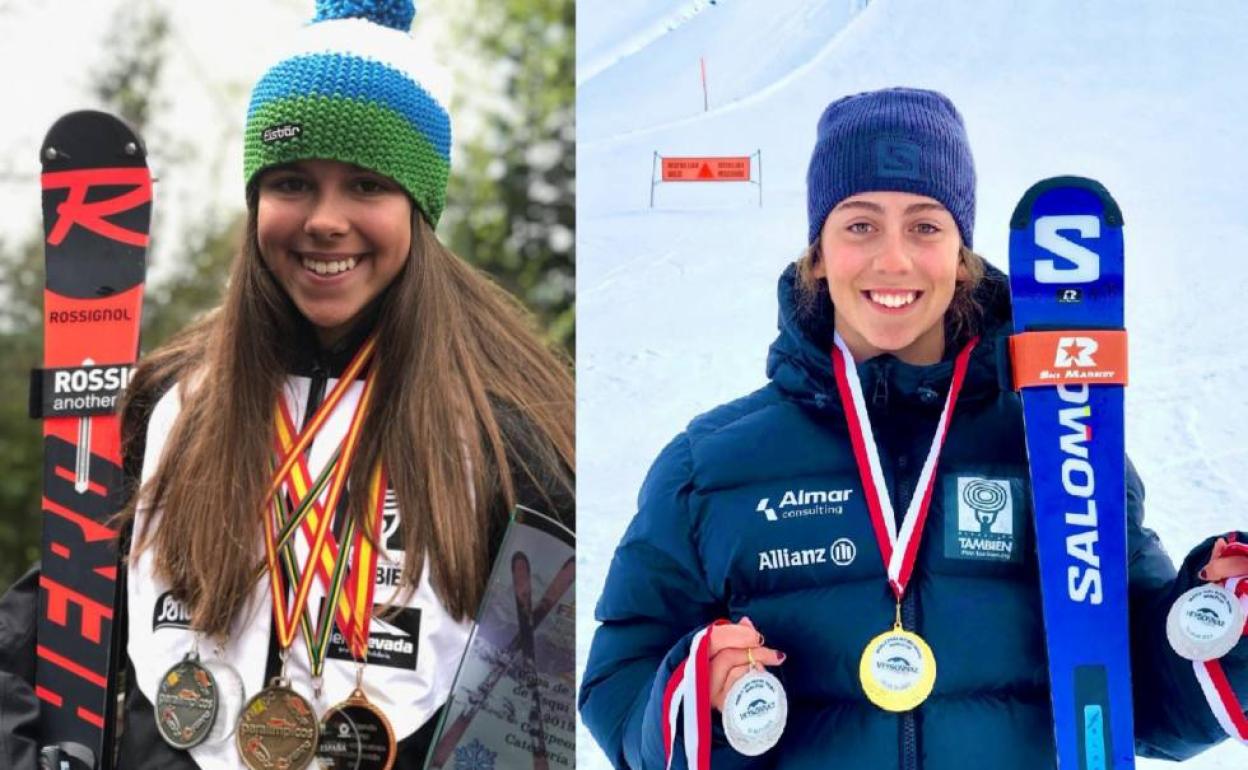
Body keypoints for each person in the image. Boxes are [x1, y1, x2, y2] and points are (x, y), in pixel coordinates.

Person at [579, 87, 1248, 769]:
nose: (893, 259)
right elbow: (618, 683)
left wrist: (1222, 626)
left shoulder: (1060, 442)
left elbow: (1141, 704)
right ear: (817, 253)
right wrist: (700, 695)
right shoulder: (708, 469)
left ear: (963, 255)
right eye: (859, 225)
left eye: (925, 226)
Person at [0, 1, 573, 767]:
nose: (325, 220)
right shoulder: (174, 402)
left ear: (419, 206)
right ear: (256, 200)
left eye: (367, 186)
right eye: (293, 183)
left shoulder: (503, 429)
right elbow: (51, 621)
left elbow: (538, 712)